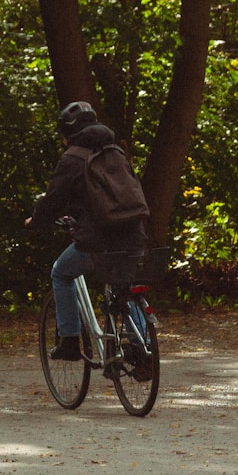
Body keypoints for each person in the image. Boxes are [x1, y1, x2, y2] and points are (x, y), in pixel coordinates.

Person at [25, 101, 147, 361]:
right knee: (123, 286)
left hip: (98, 240)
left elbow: (54, 199)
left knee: (61, 273)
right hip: (133, 233)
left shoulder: (73, 158)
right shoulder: (116, 151)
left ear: (67, 133)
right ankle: (143, 347)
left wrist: (35, 222)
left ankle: (69, 342)